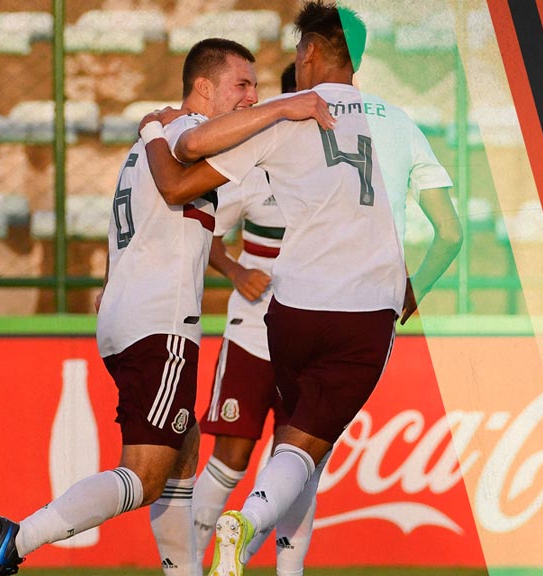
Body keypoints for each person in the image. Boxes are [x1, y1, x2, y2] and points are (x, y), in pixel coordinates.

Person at [0, 39, 332, 576]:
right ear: (203, 88)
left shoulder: (155, 139)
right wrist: (280, 108)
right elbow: (174, 187)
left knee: (182, 461)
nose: (252, 96)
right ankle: (19, 537)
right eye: (243, 84)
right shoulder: (187, 138)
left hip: (126, 317)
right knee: (145, 475)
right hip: (161, 323)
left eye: (258, 86)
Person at [140, 3, 462, 575]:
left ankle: (229, 555)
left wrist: (160, 130)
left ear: (309, 52)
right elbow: (452, 233)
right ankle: (250, 523)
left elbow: (188, 165)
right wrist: (415, 290)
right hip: (364, 314)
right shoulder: (402, 123)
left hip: (288, 313)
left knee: (292, 446)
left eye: (295, 53)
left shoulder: (280, 120)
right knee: (302, 451)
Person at [190, 62, 318, 575]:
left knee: (298, 469)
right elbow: (207, 234)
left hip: (311, 338)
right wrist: (238, 271)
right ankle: (187, 567)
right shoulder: (254, 160)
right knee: (229, 462)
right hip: (253, 334)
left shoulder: (343, 164)